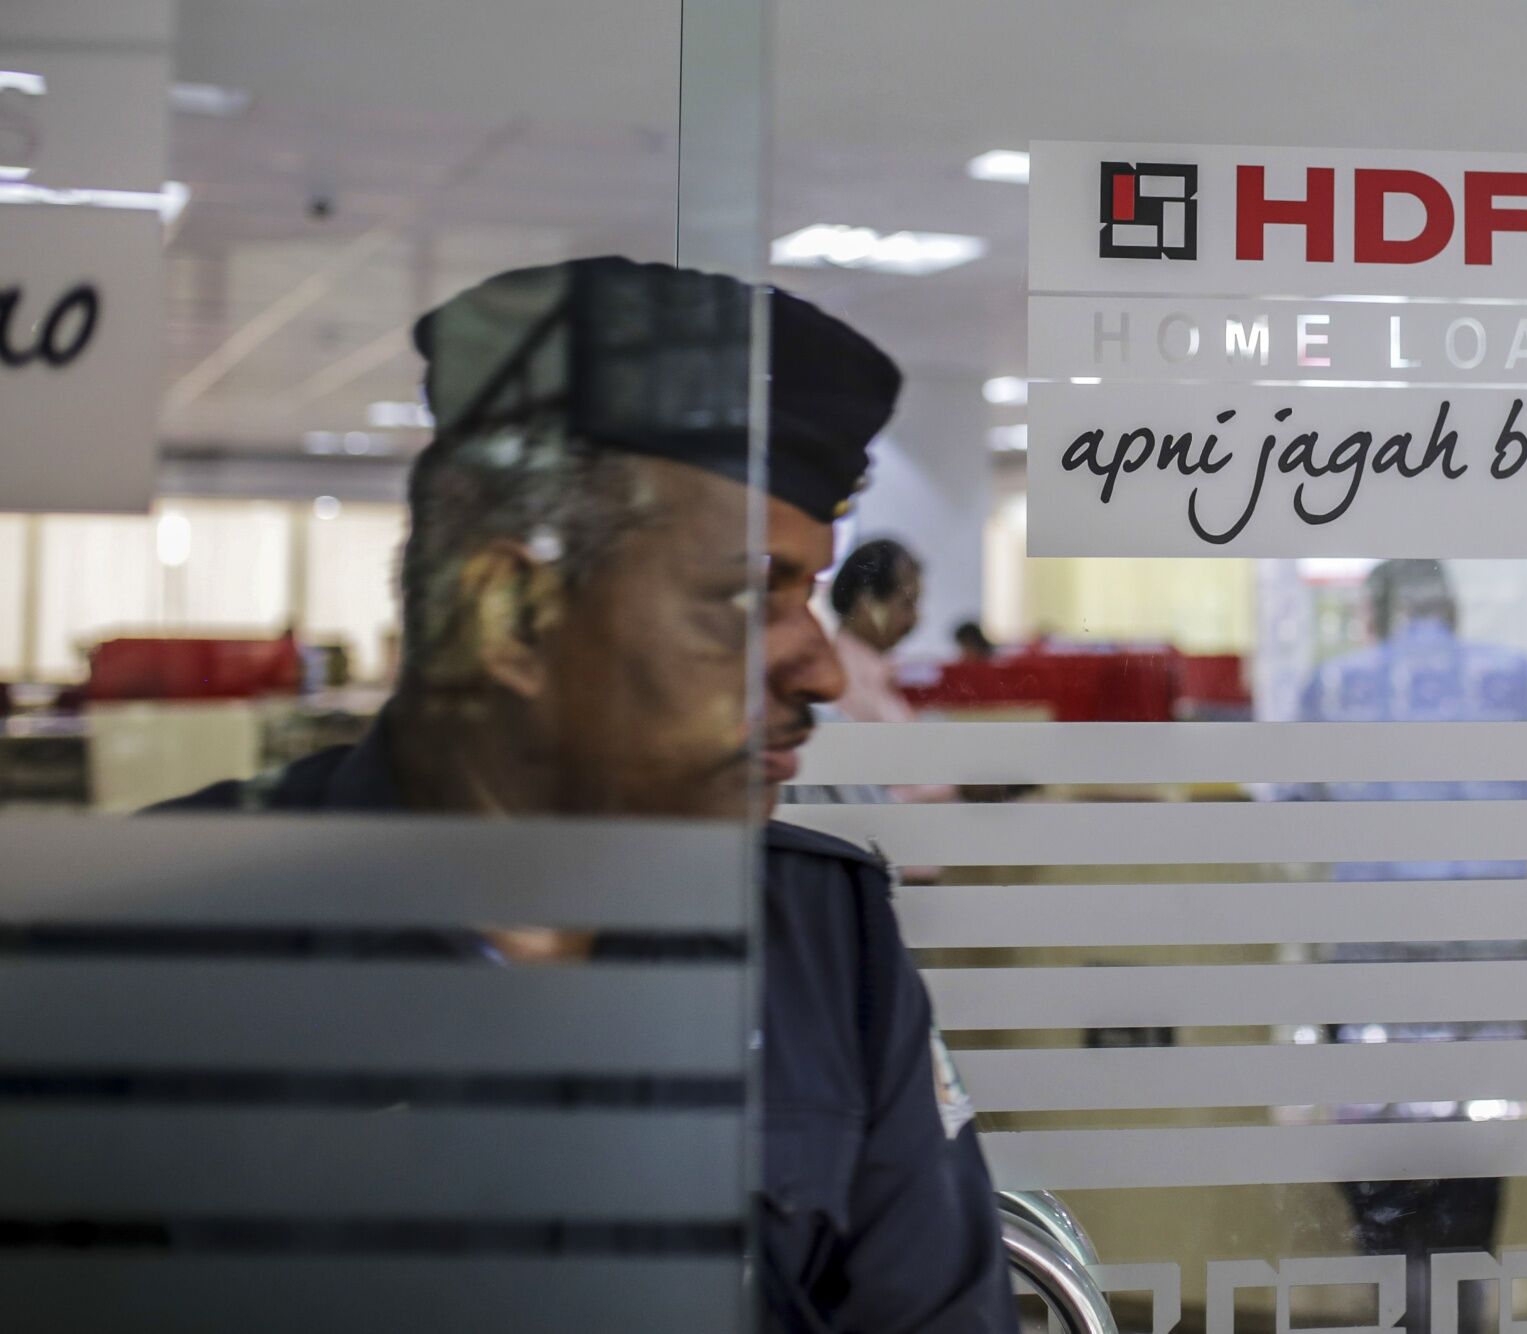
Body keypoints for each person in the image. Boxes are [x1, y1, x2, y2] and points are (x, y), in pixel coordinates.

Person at [154, 257, 1018, 1333]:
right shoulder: (158, 954)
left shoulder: (821, 940)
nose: (819, 668)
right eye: (745, 596)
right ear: (514, 612)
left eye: (808, 593)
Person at [1285, 559, 1527, 1334]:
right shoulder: (1514, 678)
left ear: (1376, 613)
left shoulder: (1336, 686)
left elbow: (1296, 804)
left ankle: (1399, 1312)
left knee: (1381, 1175)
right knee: (1476, 1165)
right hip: (1490, 962)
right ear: (1451, 611)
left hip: (1374, 964)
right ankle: (1463, 1311)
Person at [830, 537, 926, 725]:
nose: (914, 620)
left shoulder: (877, 673)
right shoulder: (843, 680)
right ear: (866, 603)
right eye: (906, 604)